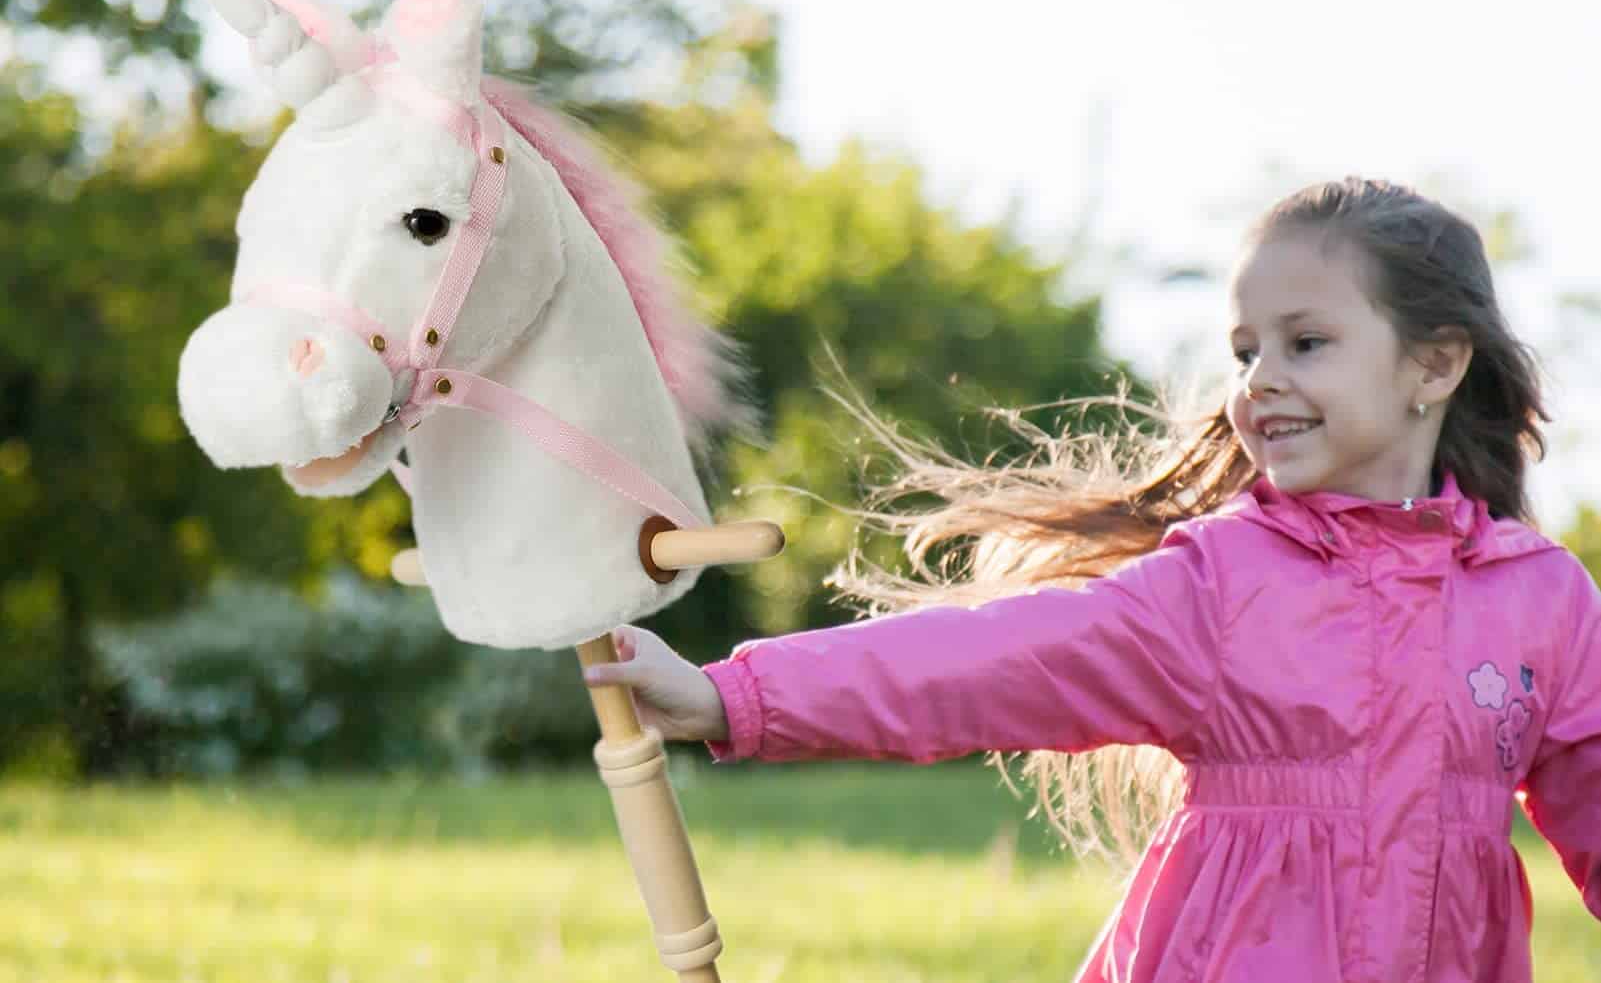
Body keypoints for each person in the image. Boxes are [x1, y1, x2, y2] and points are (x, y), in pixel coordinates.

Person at [582, 178, 1601, 982]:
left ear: (1433, 366)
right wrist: (731, 692)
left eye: (1306, 343)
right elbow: (983, 661)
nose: (1257, 382)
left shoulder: (1538, 602)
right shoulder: (1221, 582)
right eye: (1244, 350)